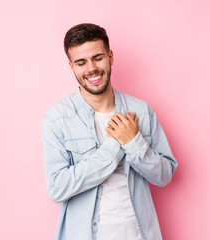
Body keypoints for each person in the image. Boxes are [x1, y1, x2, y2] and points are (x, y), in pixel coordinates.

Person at [43, 23, 178, 240]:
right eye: (81, 62)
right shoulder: (57, 119)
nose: (91, 68)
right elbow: (57, 188)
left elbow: (165, 175)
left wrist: (135, 143)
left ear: (110, 57)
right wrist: (114, 147)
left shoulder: (141, 112)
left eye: (98, 58)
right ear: (72, 67)